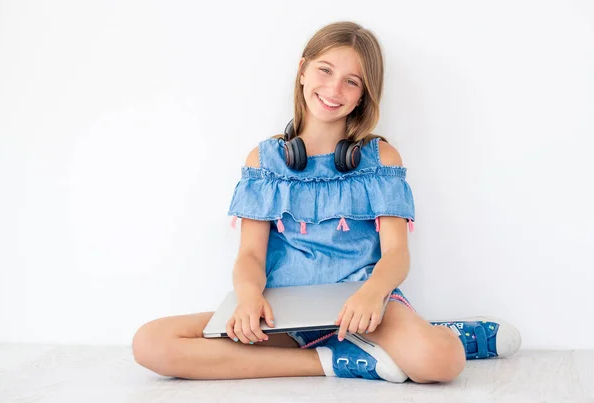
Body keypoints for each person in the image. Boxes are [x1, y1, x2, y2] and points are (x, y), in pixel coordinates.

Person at [132, 21, 521, 383]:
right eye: (325, 70)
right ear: (302, 70)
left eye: (351, 82)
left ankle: (425, 337)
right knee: (151, 342)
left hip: (365, 309)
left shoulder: (380, 159)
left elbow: (396, 254)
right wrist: (248, 296)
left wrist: (373, 292)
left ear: (362, 96)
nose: (334, 90)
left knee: (442, 361)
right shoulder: (264, 162)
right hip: (284, 315)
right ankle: (333, 360)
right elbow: (250, 255)